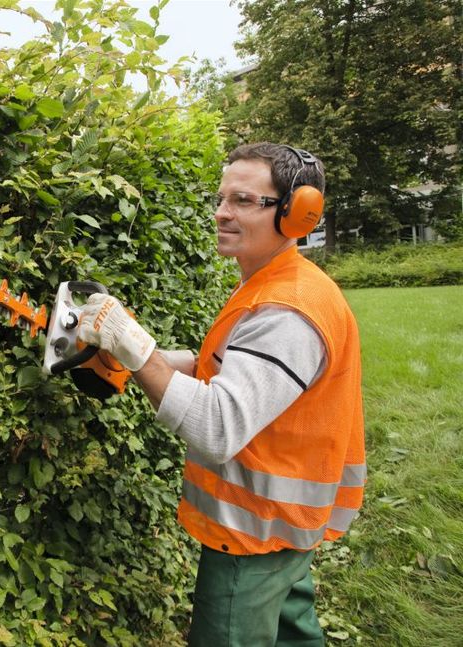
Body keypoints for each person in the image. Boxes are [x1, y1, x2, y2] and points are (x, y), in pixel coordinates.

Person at [77, 142, 366, 646]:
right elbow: (227, 369)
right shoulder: (272, 282)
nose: (221, 213)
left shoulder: (288, 311)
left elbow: (218, 428)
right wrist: (137, 354)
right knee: (294, 634)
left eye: (242, 201)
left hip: (253, 538)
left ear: (298, 214)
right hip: (284, 530)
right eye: (220, 198)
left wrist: (139, 352)